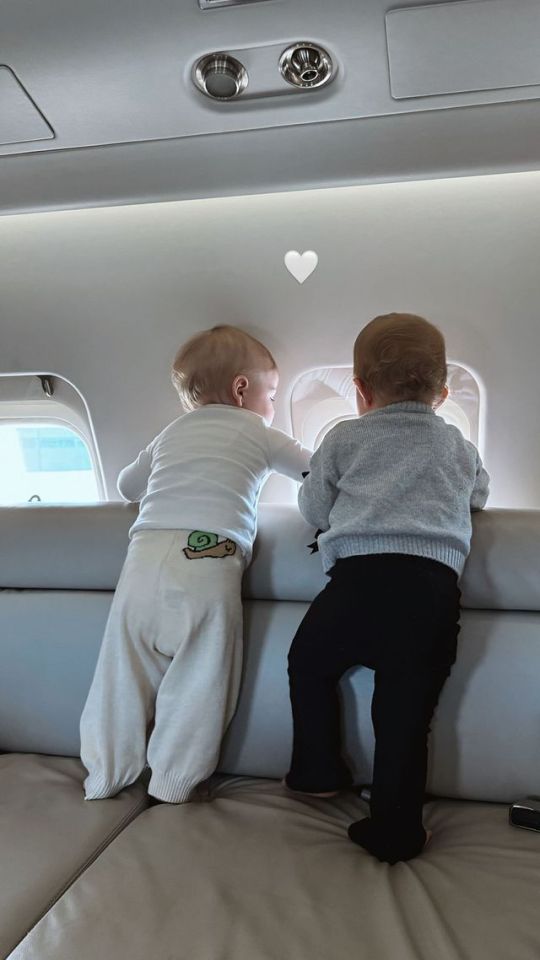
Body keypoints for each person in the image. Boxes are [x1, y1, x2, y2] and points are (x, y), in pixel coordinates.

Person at [284, 313, 489, 864]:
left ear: (359, 390)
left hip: (357, 584)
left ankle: (318, 771)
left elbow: (312, 508)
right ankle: (398, 829)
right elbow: (479, 496)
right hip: (429, 593)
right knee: (403, 719)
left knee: (307, 665)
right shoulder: (458, 445)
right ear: (443, 393)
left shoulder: (345, 437)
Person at [80, 325, 311, 804]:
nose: (272, 404)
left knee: (120, 672)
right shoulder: (259, 430)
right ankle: (173, 780)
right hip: (209, 559)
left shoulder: (170, 432)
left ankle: (104, 773)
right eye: (272, 393)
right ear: (242, 389)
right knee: (202, 676)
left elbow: (127, 485)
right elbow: (317, 471)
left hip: (143, 558)